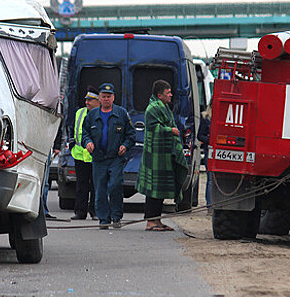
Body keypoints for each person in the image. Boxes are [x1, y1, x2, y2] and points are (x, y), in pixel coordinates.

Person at [82, 82, 136, 229]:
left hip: (116, 158)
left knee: (115, 186)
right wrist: (88, 142)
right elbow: (85, 133)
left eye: (109, 96)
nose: (106, 99)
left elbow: (131, 135)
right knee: (100, 189)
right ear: (99, 98)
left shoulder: (121, 113)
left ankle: (116, 216)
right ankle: (103, 219)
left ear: (113, 97)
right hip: (99, 158)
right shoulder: (92, 115)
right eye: (104, 96)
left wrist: (125, 145)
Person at [136, 79, 188, 231]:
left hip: (164, 156)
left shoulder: (163, 106)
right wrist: (170, 131)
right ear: (160, 95)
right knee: (153, 189)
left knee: (160, 190)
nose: (171, 95)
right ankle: (150, 222)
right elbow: (153, 129)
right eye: (168, 93)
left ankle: (157, 220)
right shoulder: (153, 108)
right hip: (155, 157)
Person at [70, 86, 100, 220]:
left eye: (91, 100)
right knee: (81, 186)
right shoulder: (80, 112)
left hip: (95, 156)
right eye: (86, 99)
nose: (87, 102)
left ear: (98, 101)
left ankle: (94, 211)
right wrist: (71, 145)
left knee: (96, 185)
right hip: (79, 155)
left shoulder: (101, 113)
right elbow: (73, 129)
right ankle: (80, 212)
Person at [43, 125, 62, 219]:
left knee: (45, 183)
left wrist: (57, 145)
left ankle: (43, 210)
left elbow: (57, 125)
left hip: (47, 147)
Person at [197, 99, 212, 214]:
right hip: (209, 151)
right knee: (210, 179)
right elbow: (200, 135)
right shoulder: (206, 118)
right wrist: (210, 140)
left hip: (213, 151)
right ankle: (209, 206)